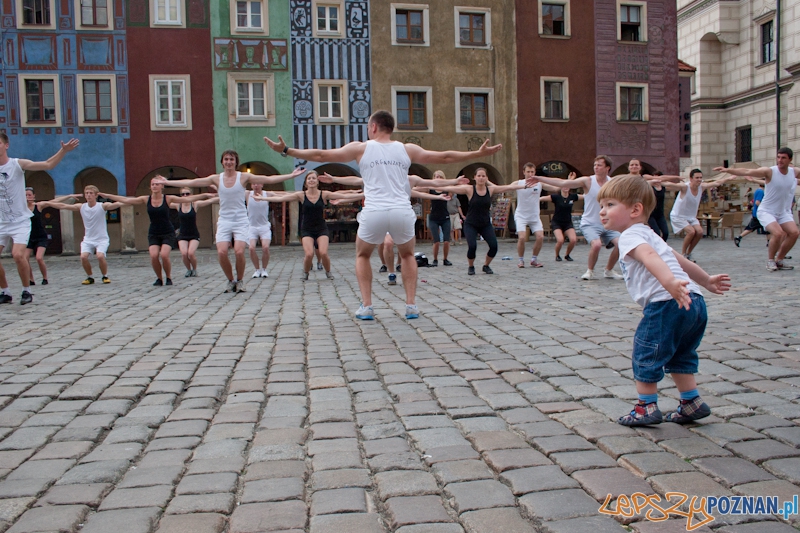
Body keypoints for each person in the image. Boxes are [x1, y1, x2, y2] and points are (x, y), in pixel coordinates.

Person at [265, 110, 498, 320]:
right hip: (401, 211)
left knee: (363, 255)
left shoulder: (362, 147)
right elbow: (445, 157)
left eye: (368, 127)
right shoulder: (406, 148)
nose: (368, 130)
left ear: (374, 127)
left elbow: (323, 154)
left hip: (375, 211)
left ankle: (367, 306)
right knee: (407, 256)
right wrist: (477, 153)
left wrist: (287, 150)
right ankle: (411, 305)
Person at [595, 174, 731, 426]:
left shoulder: (630, 235)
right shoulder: (651, 233)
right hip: (695, 302)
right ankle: (691, 402)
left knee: (645, 351)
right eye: (601, 205)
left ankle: (645, 407)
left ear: (636, 209)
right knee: (682, 353)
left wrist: (668, 283)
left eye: (610, 205)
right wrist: (706, 281)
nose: (602, 212)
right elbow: (680, 260)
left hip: (666, 302)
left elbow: (649, 257)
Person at [152, 152, 304, 293]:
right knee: (222, 252)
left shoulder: (243, 177)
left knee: (239, 251)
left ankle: (240, 280)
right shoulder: (216, 179)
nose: (229, 162)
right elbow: (193, 182)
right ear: (222, 162)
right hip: (224, 220)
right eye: (226, 159)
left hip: (240, 220)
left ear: (236, 162)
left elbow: (268, 179)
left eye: (232, 159)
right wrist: (167, 182)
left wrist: (291, 175)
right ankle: (231, 280)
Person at [0, 136, 79, 304]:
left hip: (20, 221)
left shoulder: (17, 164)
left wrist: (63, 151)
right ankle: (5, 292)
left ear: (6, 145)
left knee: (18, 255)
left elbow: (48, 164)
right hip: (2, 221)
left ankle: (26, 290)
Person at [250, 170, 365, 280]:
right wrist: (263, 198)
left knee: (323, 253)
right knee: (309, 254)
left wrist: (361, 194)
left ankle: (328, 272)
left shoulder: (324, 194)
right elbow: (282, 197)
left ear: (317, 181)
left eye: (313, 178)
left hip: (321, 228)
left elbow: (342, 195)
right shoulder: (301, 195)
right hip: (307, 229)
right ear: (306, 182)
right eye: (309, 178)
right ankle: (305, 273)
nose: (311, 180)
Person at [526, 156, 625, 280]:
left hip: (608, 223)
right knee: (596, 245)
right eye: (595, 165)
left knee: (621, 244)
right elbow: (563, 183)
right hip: (590, 223)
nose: (596, 167)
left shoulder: (612, 183)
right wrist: (538, 178)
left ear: (607, 168)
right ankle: (590, 271)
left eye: (599, 165)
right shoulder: (588, 181)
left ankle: (609, 270)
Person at [99, 181, 213, 286]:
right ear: (150, 187)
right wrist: (109, 196)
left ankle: (168, 277)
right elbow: (127, 200)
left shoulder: (168, 199)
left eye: (157, 184)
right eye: (153, 184)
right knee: (153, 256)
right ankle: (159, 278)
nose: (154, 186)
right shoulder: (146, 199)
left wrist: (206, 195)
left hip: (167, 231)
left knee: (164, 255)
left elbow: (188, 199)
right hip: (154, 232)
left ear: (162, 186)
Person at [715, 150, 800, 270]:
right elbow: (747, 171)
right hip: (767, 211)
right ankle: (770, 261)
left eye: (783, 158)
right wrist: (728, 170)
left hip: (783, 212)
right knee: (778, 233)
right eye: (778, 157)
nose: (780, 160)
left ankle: (779, 259)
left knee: (794, 233)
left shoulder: (794, 172)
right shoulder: (770, 171)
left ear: (790, 160)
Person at [436, 168, 526, 275]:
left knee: (494, 246)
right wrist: (434, 185)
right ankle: (471, 266)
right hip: (471, 224)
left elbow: (507, 187)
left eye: (483, 176)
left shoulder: (490, 190)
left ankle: (486, 265)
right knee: (472, 246)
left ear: (486, 178)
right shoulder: (469, 189)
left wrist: (524, 186)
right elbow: (451, 188)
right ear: (474, 177)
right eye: (479, 176)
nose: (481, 178)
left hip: (485, 224)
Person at [47, 186, 126, 286]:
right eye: (87, 193)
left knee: (100, 256)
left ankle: (105, 276)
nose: (88, 195)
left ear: (96, 195)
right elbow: (61, 206)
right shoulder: (81, 207)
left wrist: (108, 196)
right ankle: (90, 277)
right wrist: (69, 196)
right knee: (83, 257)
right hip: (88, 239)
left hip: (101, 239)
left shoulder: (102, 206)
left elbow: (120, 203)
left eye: (91, 193)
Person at [662, 169, 733, 261]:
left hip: (691, 216)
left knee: (699, 232)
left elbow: (716, 183)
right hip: (678, 216)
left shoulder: (702, 187)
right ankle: (682, 255)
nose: (699, 180)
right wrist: (656, 182)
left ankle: (688, 253)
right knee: (691, 232)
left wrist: (729, 178)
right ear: (691, 179)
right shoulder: (685, 187)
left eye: (700, 178)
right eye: (697, 178)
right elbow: (671, 185)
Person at [24, 188, 74, 285]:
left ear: (34, 196)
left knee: (39, 258)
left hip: (40, 236)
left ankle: (45, 278)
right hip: (28, 236)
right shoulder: (22, 208)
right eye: (25, 195)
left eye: (29, 195)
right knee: (25, 259)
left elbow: (53, 202)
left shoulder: (38, 206)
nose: (27, 197)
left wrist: (68, 196)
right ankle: (31, 279)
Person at [514, 163, 560, 268]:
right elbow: (503, 188)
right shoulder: (519, 183)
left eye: (532, 172)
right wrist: (487, 182)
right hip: (521, 215)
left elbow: (555, 188)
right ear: (524, 172)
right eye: (528, 172)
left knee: (540, 237)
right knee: (521, 238)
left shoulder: (539, 184)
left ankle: (534, 259)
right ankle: (521, 260)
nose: (530, 174)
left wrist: (567, 182)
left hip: (534, 216)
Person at [172, 187, 219, 277]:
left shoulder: (194, 204)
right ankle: (188, 270)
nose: (185, 196)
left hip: (193, 234)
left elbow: (209, 201)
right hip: (182, 234)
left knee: (191, 253)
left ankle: (194, 269)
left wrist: (221, 196)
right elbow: (164, 202)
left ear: (192, 195)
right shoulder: (178, 205)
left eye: (187, 194)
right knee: (184, 253)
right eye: (183, 194)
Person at [540, 181, 583, 262]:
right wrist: (534, 199)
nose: (565, 187)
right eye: (563, 186)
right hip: (557, 222)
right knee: (560, 240)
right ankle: (557, 255)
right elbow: (543, 198)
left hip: (567, 222)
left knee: (573, 240)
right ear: (560, 187)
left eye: (567, 186)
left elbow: (586, 196)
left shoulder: (573, 196)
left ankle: (567, 255)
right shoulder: (556, 197)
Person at [424, 171, 453, 267]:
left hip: (445, 217)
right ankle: (435, 259)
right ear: (434, 178)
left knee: (446, 241)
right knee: (436, 241)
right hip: (434, 218)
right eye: (437, 176)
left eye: (440, 177)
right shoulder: (431, 188)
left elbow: (453, 191)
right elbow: (421, 188)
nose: (438, 178)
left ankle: (445, 259)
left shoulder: (447, 189)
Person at [734, 178, 765, 247]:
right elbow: (757, 202)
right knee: (751, 228)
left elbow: (753, 201)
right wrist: (764, 208)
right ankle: (739, 237)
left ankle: (739, 237)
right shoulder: (761, 192)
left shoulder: (757, 191)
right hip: (759, 214)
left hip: (758, 213)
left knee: (753, 228)